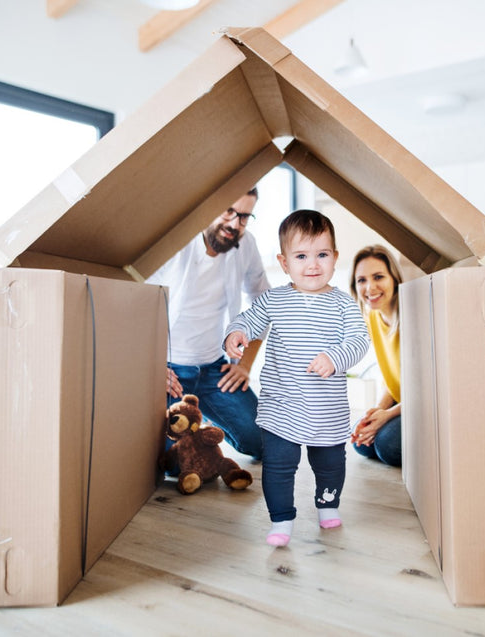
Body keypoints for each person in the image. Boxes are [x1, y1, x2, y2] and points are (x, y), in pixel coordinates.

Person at [224, 210, 369, 547]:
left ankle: (327, 503)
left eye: (322, 255)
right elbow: (249, 319)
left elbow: (358, 341)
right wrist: (237, 333)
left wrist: (335, 357)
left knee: (331, 464)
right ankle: (281, 518)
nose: (313, 265)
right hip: (282, 406)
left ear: (334, 258)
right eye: (301, 256)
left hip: (327, 409)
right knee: (278, 465)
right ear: (285, 262)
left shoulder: (344, 305)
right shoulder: (274, 299)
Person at [146, 187, 269, 461]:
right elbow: (132, 304)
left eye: (245, 217)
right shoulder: (175, 242)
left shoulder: (246, 245)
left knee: (263, 442)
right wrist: (149, 368)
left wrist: (246, 365)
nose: (235, 224)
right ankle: (194, 426)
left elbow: (263, 303)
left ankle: (205, 419)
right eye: (229, 211)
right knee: (172, 460)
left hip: (215, 369)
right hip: (169, 373)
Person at [349, 245, 404, 467]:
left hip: (425, 405)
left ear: (394, 279)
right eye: (361, 280)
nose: (370, 287)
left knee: (387, 445)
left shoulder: (412, 314)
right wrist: (378, 411)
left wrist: (388, 415)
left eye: (378, 276)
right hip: (402, 402)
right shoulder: (372, 317)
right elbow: (392, 379)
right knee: (360, 441)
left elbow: (428, 391)